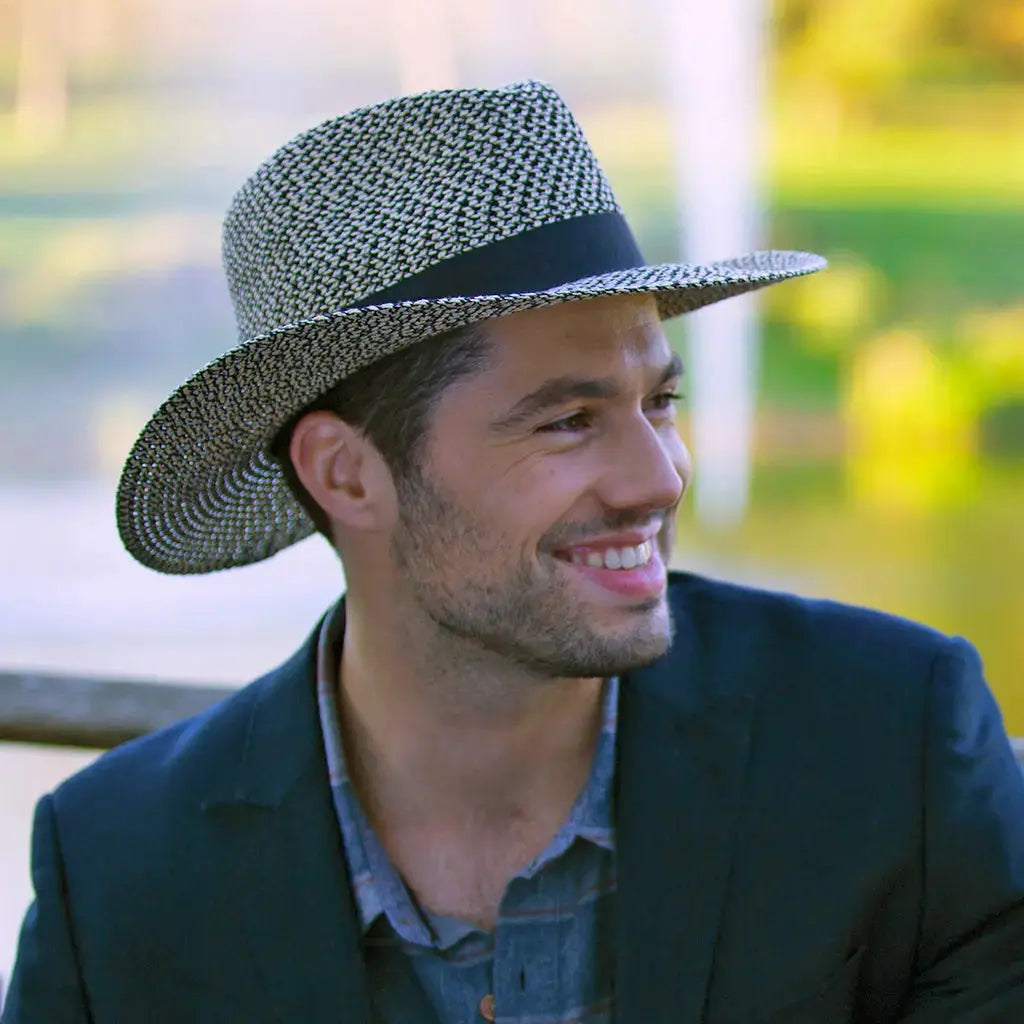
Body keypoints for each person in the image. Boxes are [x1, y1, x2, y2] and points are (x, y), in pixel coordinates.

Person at [4, 80, 1023, 1024]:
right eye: (568, 422)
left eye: (659, 400)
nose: (660, 478)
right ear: (345, 474)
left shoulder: (893, 740)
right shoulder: (120, 870)